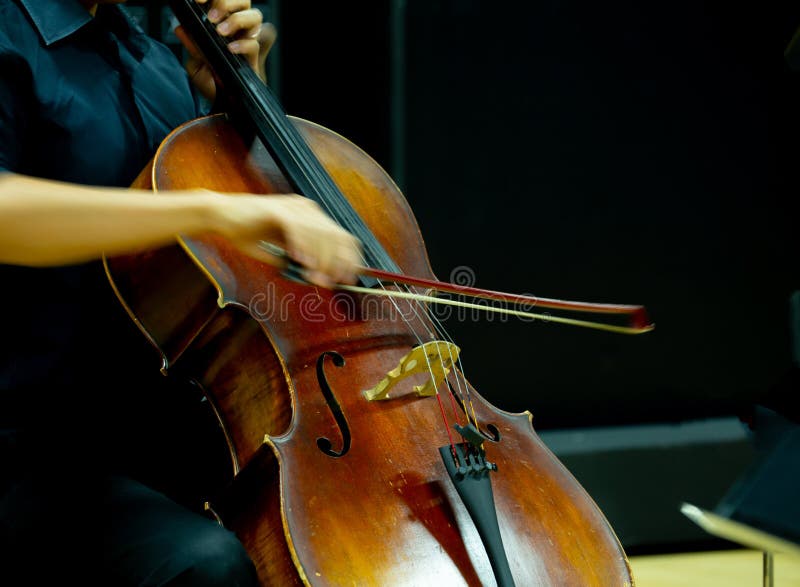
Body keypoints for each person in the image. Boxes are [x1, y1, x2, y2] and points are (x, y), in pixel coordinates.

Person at [0, 0, 361, 584]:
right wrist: (212, 210)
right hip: (33, 452)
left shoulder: (148, 57)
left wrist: (237, 95)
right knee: (207, 567)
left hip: (165, 430)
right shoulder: (9, 37)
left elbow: (210, 238)